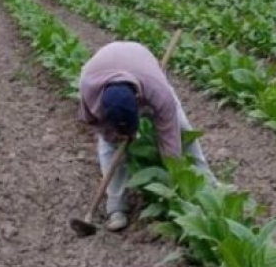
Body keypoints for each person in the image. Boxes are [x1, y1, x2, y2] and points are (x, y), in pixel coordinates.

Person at [78, 41, 217, 231]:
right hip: (104, 69)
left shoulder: (156, 89)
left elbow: (169, 136)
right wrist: (114, 134)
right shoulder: (88, 87)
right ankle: (116, 204)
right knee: (108, 146)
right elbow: (92, 122)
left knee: (182, 127)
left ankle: (208, 183)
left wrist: (173, 177)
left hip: (141, 63)